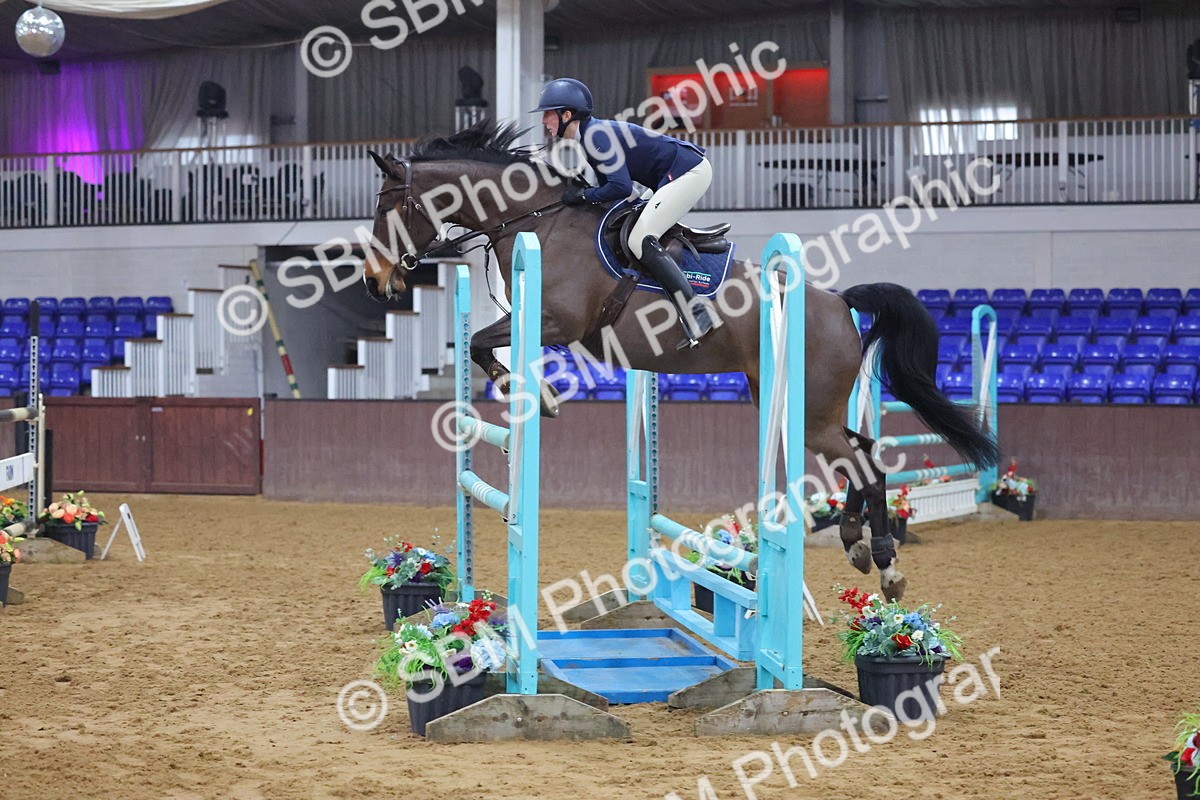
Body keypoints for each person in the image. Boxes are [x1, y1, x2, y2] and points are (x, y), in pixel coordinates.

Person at [533, 77, 716, 349]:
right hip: (669, 176)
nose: (544, 121)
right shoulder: (589, 137)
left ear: (566, 114)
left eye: (548, 114)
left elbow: (619, 187)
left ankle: (697, 313)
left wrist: (582, 195)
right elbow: (613, 189)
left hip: (688, 172)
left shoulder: (595, 136)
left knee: (640, 239)